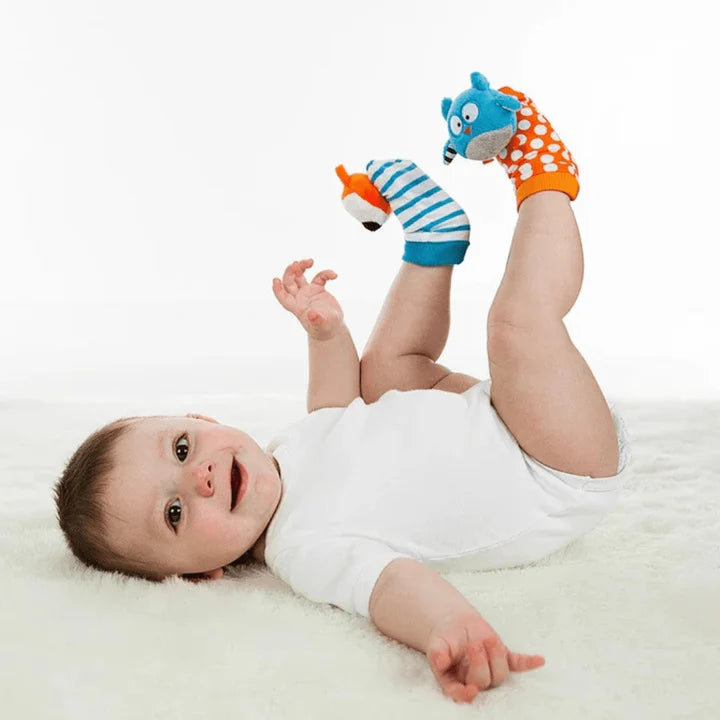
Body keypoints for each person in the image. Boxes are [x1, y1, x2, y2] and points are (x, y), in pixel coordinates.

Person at [54, 87, 630, 704]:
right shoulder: (303, 549)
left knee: (381, 374)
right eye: (174, 513)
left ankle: (434, 243)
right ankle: (543, 176)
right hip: (555, 467)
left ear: (201, 418)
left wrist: (324, 333)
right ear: (199, 574)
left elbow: (334, 410)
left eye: (182, 448)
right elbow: (390, 585)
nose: (200, 478)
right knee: (515, 327)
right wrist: (448, 623)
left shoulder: (288, 449)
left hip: (493, 416)